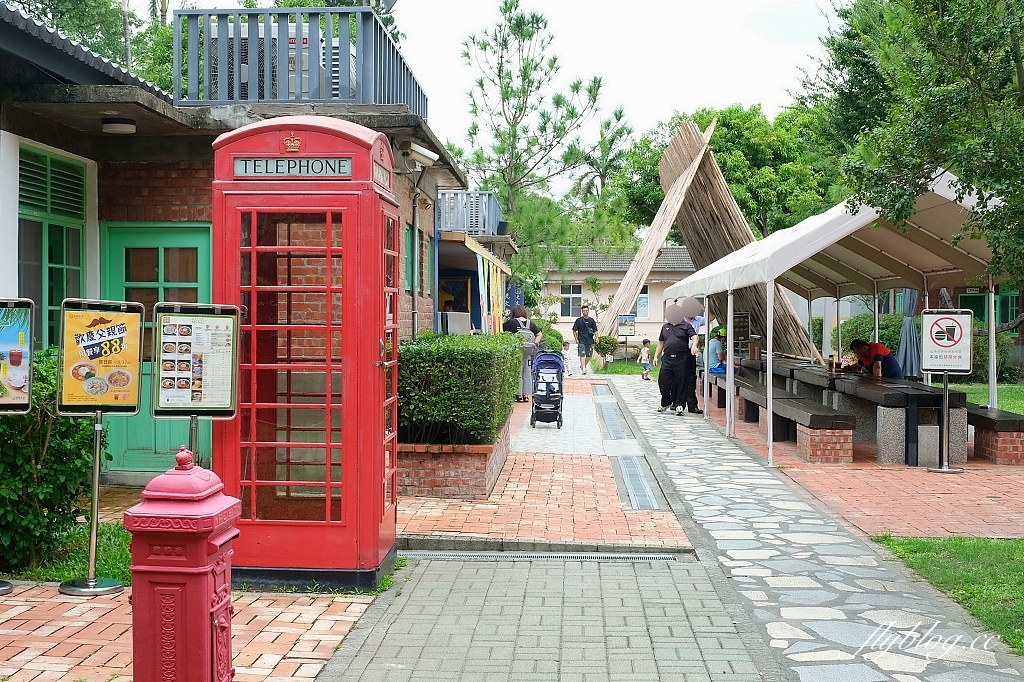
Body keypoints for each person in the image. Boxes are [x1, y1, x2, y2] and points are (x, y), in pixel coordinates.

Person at [653, 305, 698, 415]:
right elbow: (661, 342)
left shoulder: (686, 326)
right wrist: (655, 356)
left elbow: (694, 337)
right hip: (667, 358)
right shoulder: (665, 327)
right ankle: (666, 402)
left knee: (681, 382)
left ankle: (680, 405)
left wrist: (694, 346)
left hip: (681, 358)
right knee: (663, 381)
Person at [503, 305, 542, 402]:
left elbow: (501, 328)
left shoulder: (512, 322)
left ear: (514, 313)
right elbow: (539, 334)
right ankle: (526, 395)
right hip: (528, 351)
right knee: (527, 373)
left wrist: (504, 316)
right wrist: (534, 343)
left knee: (518, 372)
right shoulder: (530, 323)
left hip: (517, 351)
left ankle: (518, 394)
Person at [680, 306, 707, 414]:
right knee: (679, 378)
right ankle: (677, 403)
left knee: (691, 379)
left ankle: (692, 405)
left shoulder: (698, 319)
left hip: (691, 352)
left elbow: (711, 317)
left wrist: (704, 307)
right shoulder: (679, 319)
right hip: (680, 352)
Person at [572, 305, 598, 375]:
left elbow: (595, 330)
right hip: (581, 340)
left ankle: (583, 365)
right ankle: (584, 368)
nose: (585, 312)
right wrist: (576, 339)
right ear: (582, 311)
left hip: (590, 340)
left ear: (588, 311)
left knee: (589, 355)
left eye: (586, 310)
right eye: (584, 311)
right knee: (582, 354)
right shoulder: (579, 320)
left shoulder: (591, 320)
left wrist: (597, 337)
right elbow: (574, 330)